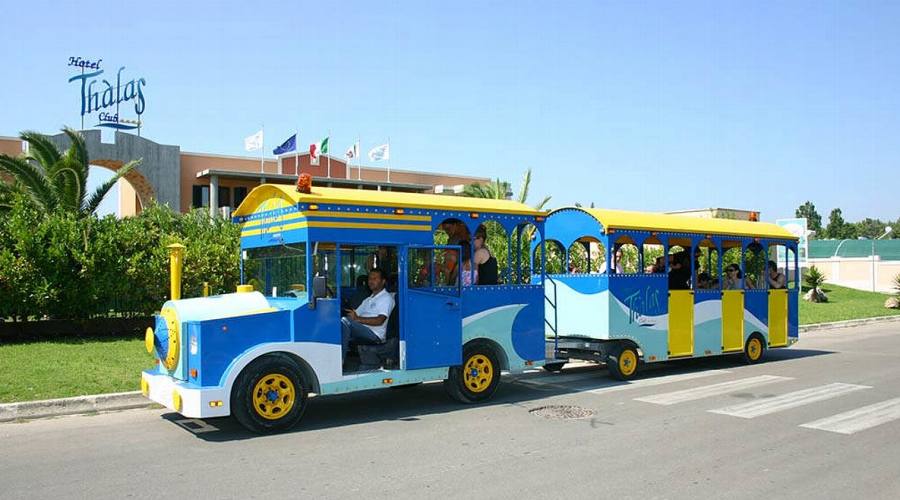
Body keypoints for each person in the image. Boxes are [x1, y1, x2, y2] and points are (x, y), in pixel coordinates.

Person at [341, 268, 395, 362]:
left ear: (383, 281)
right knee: (338, 322)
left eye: (375, 278)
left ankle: (340, 360)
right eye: (370, 278)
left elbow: (380, 320)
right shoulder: (368, 299)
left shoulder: (386, 298)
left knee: (345, 322)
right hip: (363, 329)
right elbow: (354, 314)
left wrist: (357, 319)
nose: (371, 281)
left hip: (375, 334)